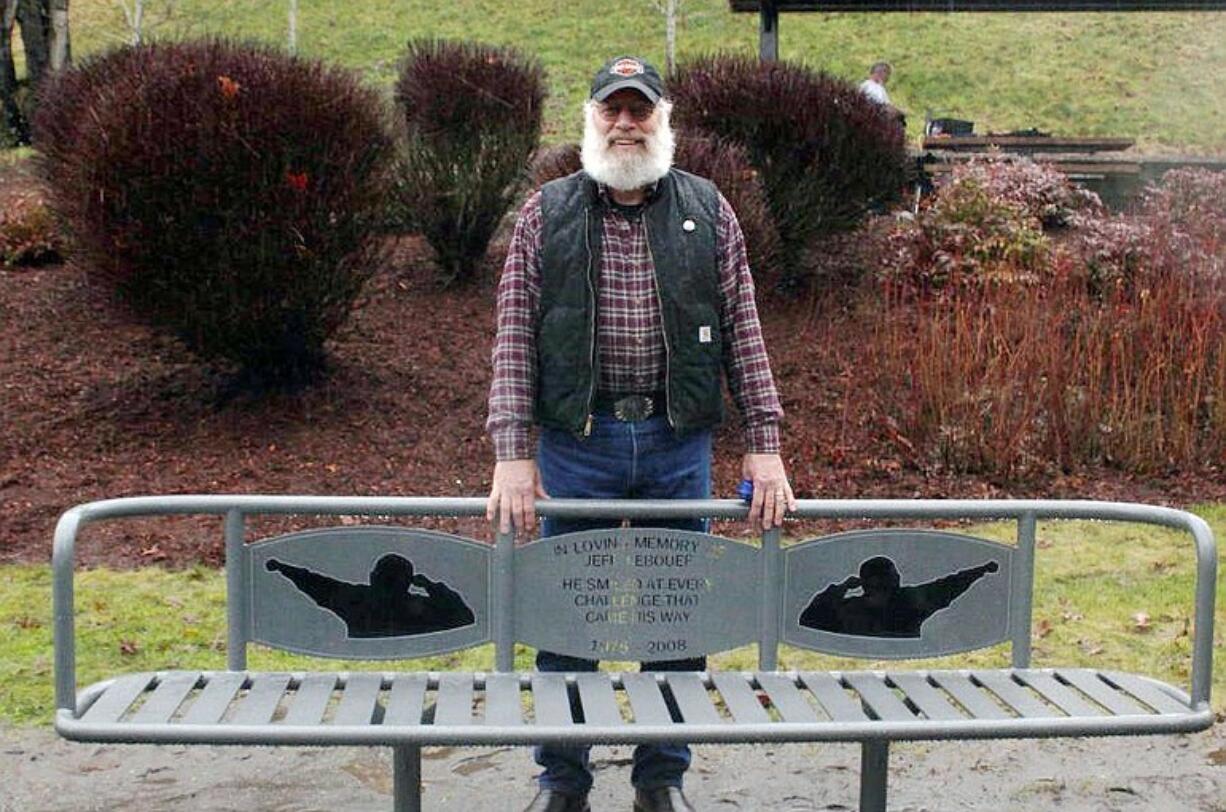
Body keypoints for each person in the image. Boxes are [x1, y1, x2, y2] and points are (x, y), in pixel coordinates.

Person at [485, 55, 797, 812]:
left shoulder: (709, 211)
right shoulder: (544, 213)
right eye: (611, 110)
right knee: (567, 618)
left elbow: (744, 332)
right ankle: (562, 782)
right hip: (575, 444)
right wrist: (511, 454)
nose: (625, 124)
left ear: (663, 120)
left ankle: (663, 780)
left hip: (675, 440)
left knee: (675, 614)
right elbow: (513, 338)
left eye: (640, 110)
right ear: (590, 120)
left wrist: (766, 441)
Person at [265, 554, 475, 637]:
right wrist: (431, 586)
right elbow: (463, 616)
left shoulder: (356, 599)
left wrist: (282, 568)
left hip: (359, 656)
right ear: (409, 582)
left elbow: (316, 583)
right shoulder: (424, 607)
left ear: (373, 577)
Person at [799, 556, 1000, 638]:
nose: (899, 577)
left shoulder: (846, 608)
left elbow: (810, 617)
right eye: (893, 574)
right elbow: (948, 586)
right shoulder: (911, 602)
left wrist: (841, 588)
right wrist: (981, 570)